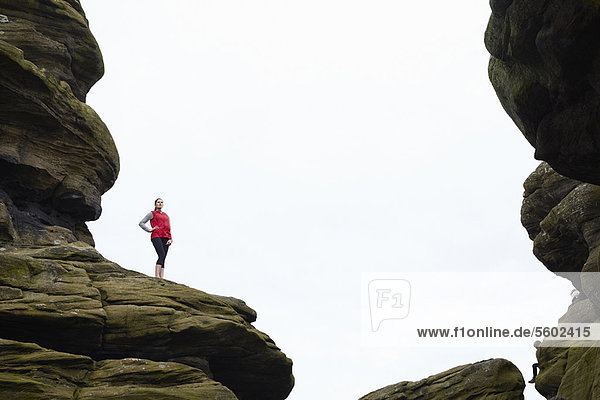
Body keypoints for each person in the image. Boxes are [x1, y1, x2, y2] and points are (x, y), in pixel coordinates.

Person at [139, 198, 172, 279]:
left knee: (163, 257)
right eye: (158, 202)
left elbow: (169, 228)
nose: (160, 203)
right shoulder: (152, 213)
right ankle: (156, 277)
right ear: (155, 204)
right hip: (156, 236)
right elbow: (141, 223)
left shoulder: (166, 215)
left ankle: (162, 278)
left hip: (166, 237)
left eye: (161, 202)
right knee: (161, 254)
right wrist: (150, 230)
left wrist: (170, 239)